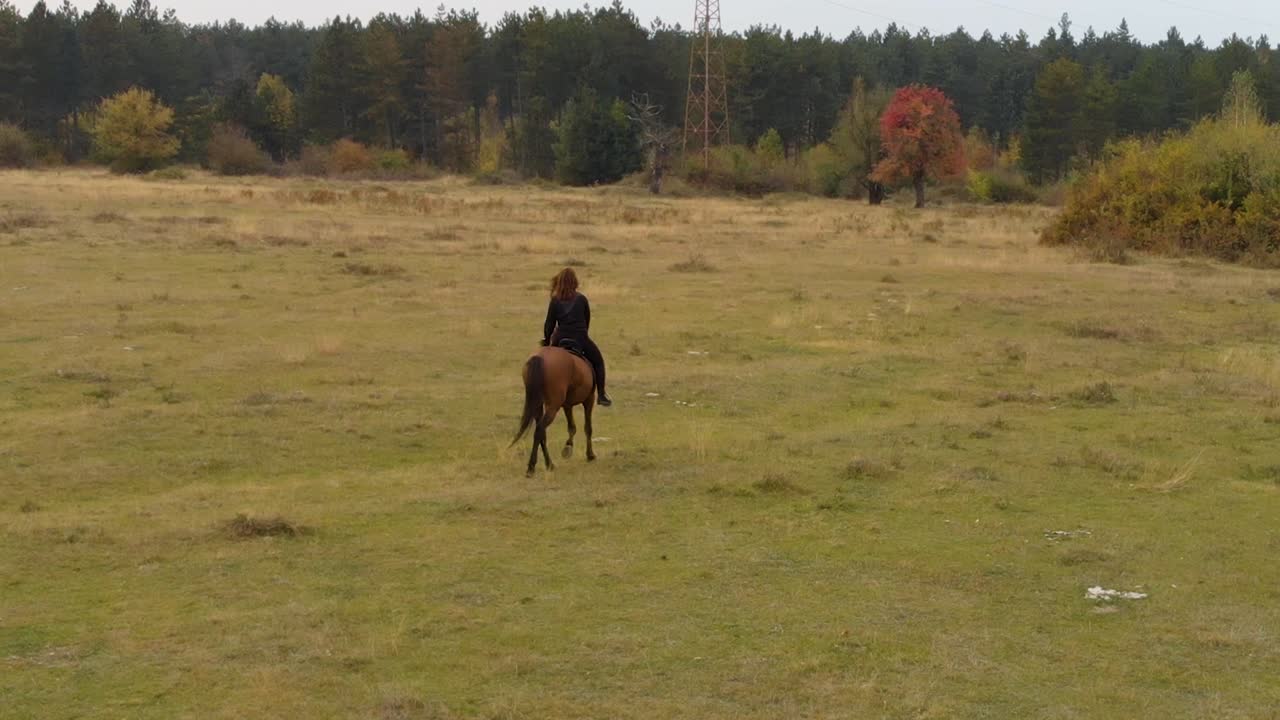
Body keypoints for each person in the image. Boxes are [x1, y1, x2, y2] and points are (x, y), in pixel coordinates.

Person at [542, 267, 612, 406]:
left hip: (560, 338)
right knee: (598, 361)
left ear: (560, 282)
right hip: (580, 337)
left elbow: (549, 324)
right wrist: (582, 334)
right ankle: (602, 394)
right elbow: (587, 321)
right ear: (574, 282)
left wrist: (547, 339)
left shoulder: (555, 301)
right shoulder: (581, 299)